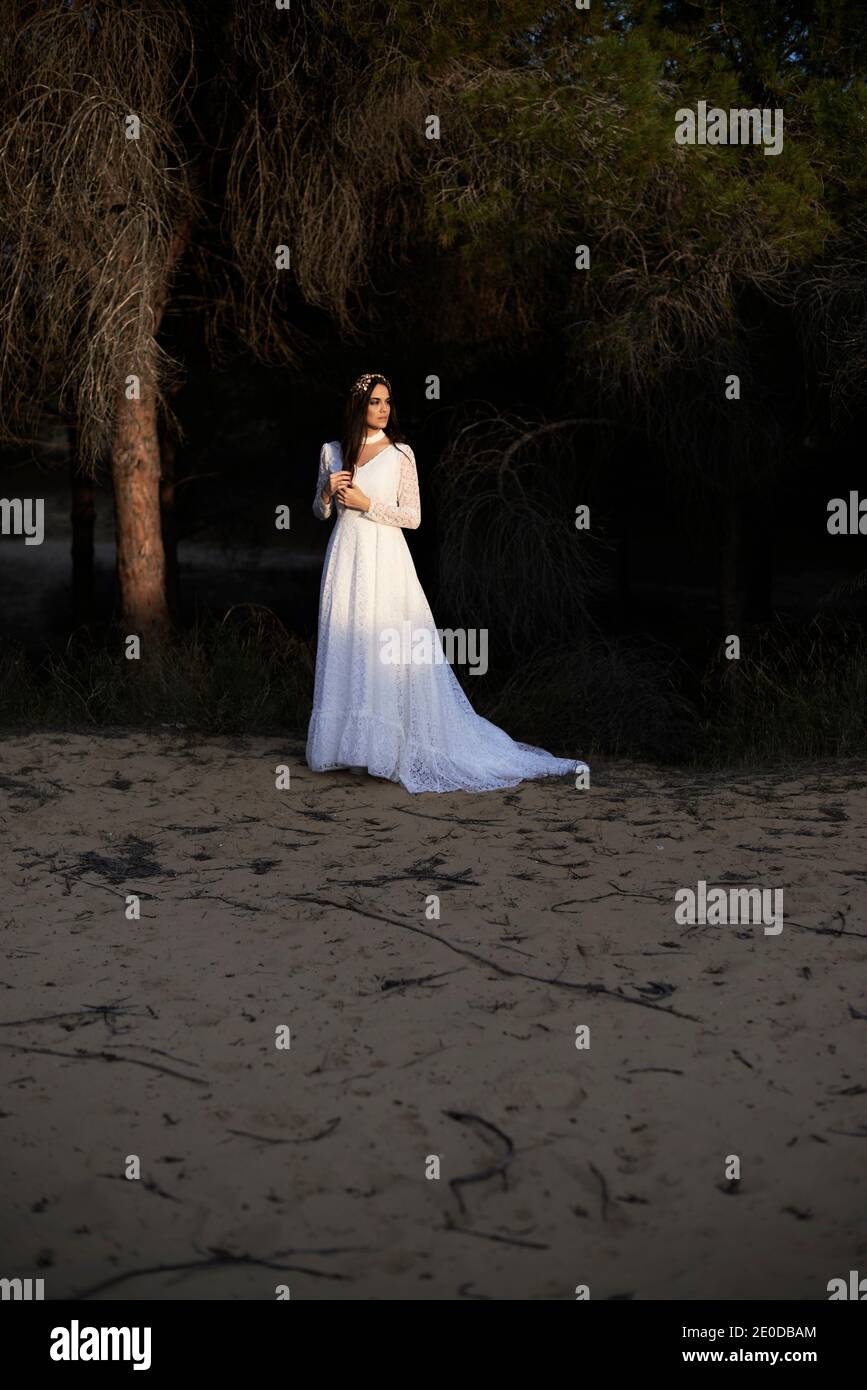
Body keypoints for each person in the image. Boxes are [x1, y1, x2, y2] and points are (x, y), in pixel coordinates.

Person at [306, 371, 588, 793]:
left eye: (388, 402)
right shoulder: (332, 451)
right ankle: (351, 748)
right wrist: (326, 494)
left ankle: (385, 751)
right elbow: (319, 513)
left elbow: (413, 518)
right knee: (348, 643)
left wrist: (368, 503)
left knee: (386, 647)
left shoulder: (402, 454)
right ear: (358, 407)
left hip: (386, 559)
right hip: (345, 558)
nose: (384, 409)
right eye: (375, 402)